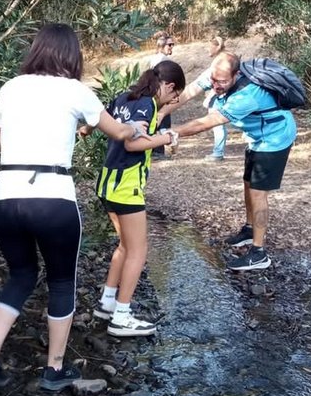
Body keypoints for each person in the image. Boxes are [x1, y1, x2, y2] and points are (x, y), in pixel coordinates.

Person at [0, 23, 147, 393]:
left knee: (20, 276)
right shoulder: (75, 90)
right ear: (72, 55)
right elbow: (118, 133)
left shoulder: (11, 87)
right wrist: (137, 127)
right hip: (53, 197)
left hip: (6, 196)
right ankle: (54, 369)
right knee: (62, 280)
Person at [172, 51, 297, 271]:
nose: (215, 85)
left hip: (275, 137)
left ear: (236, 75)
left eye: (221, 82)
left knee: (259, 193)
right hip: (257, 137)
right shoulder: (216, 74)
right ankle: (249, 230)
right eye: (213, 80)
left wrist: (172, 132)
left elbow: (206, 122)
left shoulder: (246, 95)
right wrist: (157, 112)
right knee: (248, 183)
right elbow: (188, 92)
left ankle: (259, 253)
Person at [96, 60, 185, 335]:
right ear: (167, 86)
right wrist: (167, 137)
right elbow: (133, 143)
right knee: (139, 249)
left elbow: (100, 124)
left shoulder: (124, 97)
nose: (175, 99)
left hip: (107, 182)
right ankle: (122, 316)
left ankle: (107, 302)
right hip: (126, 185)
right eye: (175, 94)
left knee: (125, 245)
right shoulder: (147, 103)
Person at [175, 35, 227, 160]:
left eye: (209, 47)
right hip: (219, 97)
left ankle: (218, 152)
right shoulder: (222, 59)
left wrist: (209, 96)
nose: (207, 50)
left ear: (216, 47)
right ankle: (218, 151)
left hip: (219, 98)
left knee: (218, 124)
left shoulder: (219, 62)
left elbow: (210, 82)